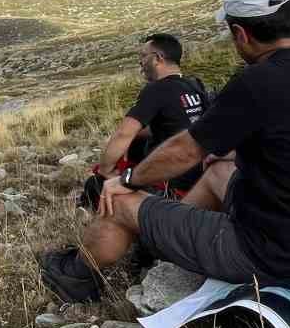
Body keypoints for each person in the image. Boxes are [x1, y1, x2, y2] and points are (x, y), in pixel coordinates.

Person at [40, 0, 290, 304]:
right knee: (219, 171)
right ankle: (159, 244)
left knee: (117, 201)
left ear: (241, 33)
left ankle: (74, 276)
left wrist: (129, 178)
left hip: (271, 252)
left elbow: (186, 151)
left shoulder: (259, 80)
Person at [78, 33, 208, 210]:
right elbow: (180, 124)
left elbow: (124, 134)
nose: (140, 62)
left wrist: (105, 169)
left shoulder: (157, 89)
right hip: (199, 180)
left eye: (143, 56)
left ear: (157, 58)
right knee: (138, 143)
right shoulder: (194, 85)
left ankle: (89, 215)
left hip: (169, 185)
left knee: (95, 184)